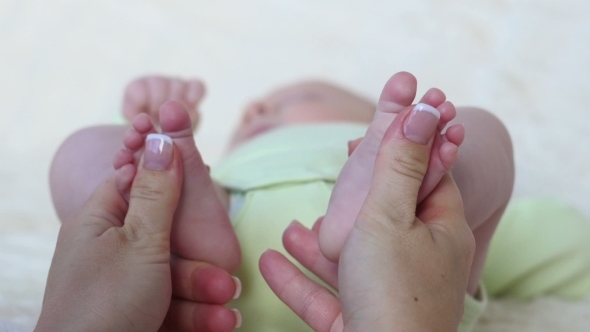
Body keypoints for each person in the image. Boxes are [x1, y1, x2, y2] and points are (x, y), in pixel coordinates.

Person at [48, 71, 510, 331]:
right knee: (488, 139)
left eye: (301, 97)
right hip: (181, 271)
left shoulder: (332, 146)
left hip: (406, 267)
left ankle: (405, 191)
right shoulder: (232, 170)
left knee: (79, 158)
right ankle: (396, 189)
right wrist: (133, 122)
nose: (257, 109)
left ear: (365, 125)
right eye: (251, 113)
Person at [37, 140, 242, 331]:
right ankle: (201, 202)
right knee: (77, 151)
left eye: (276, 107)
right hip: (233, 207)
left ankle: (182, 201)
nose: (260, 109)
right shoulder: (236, 165)